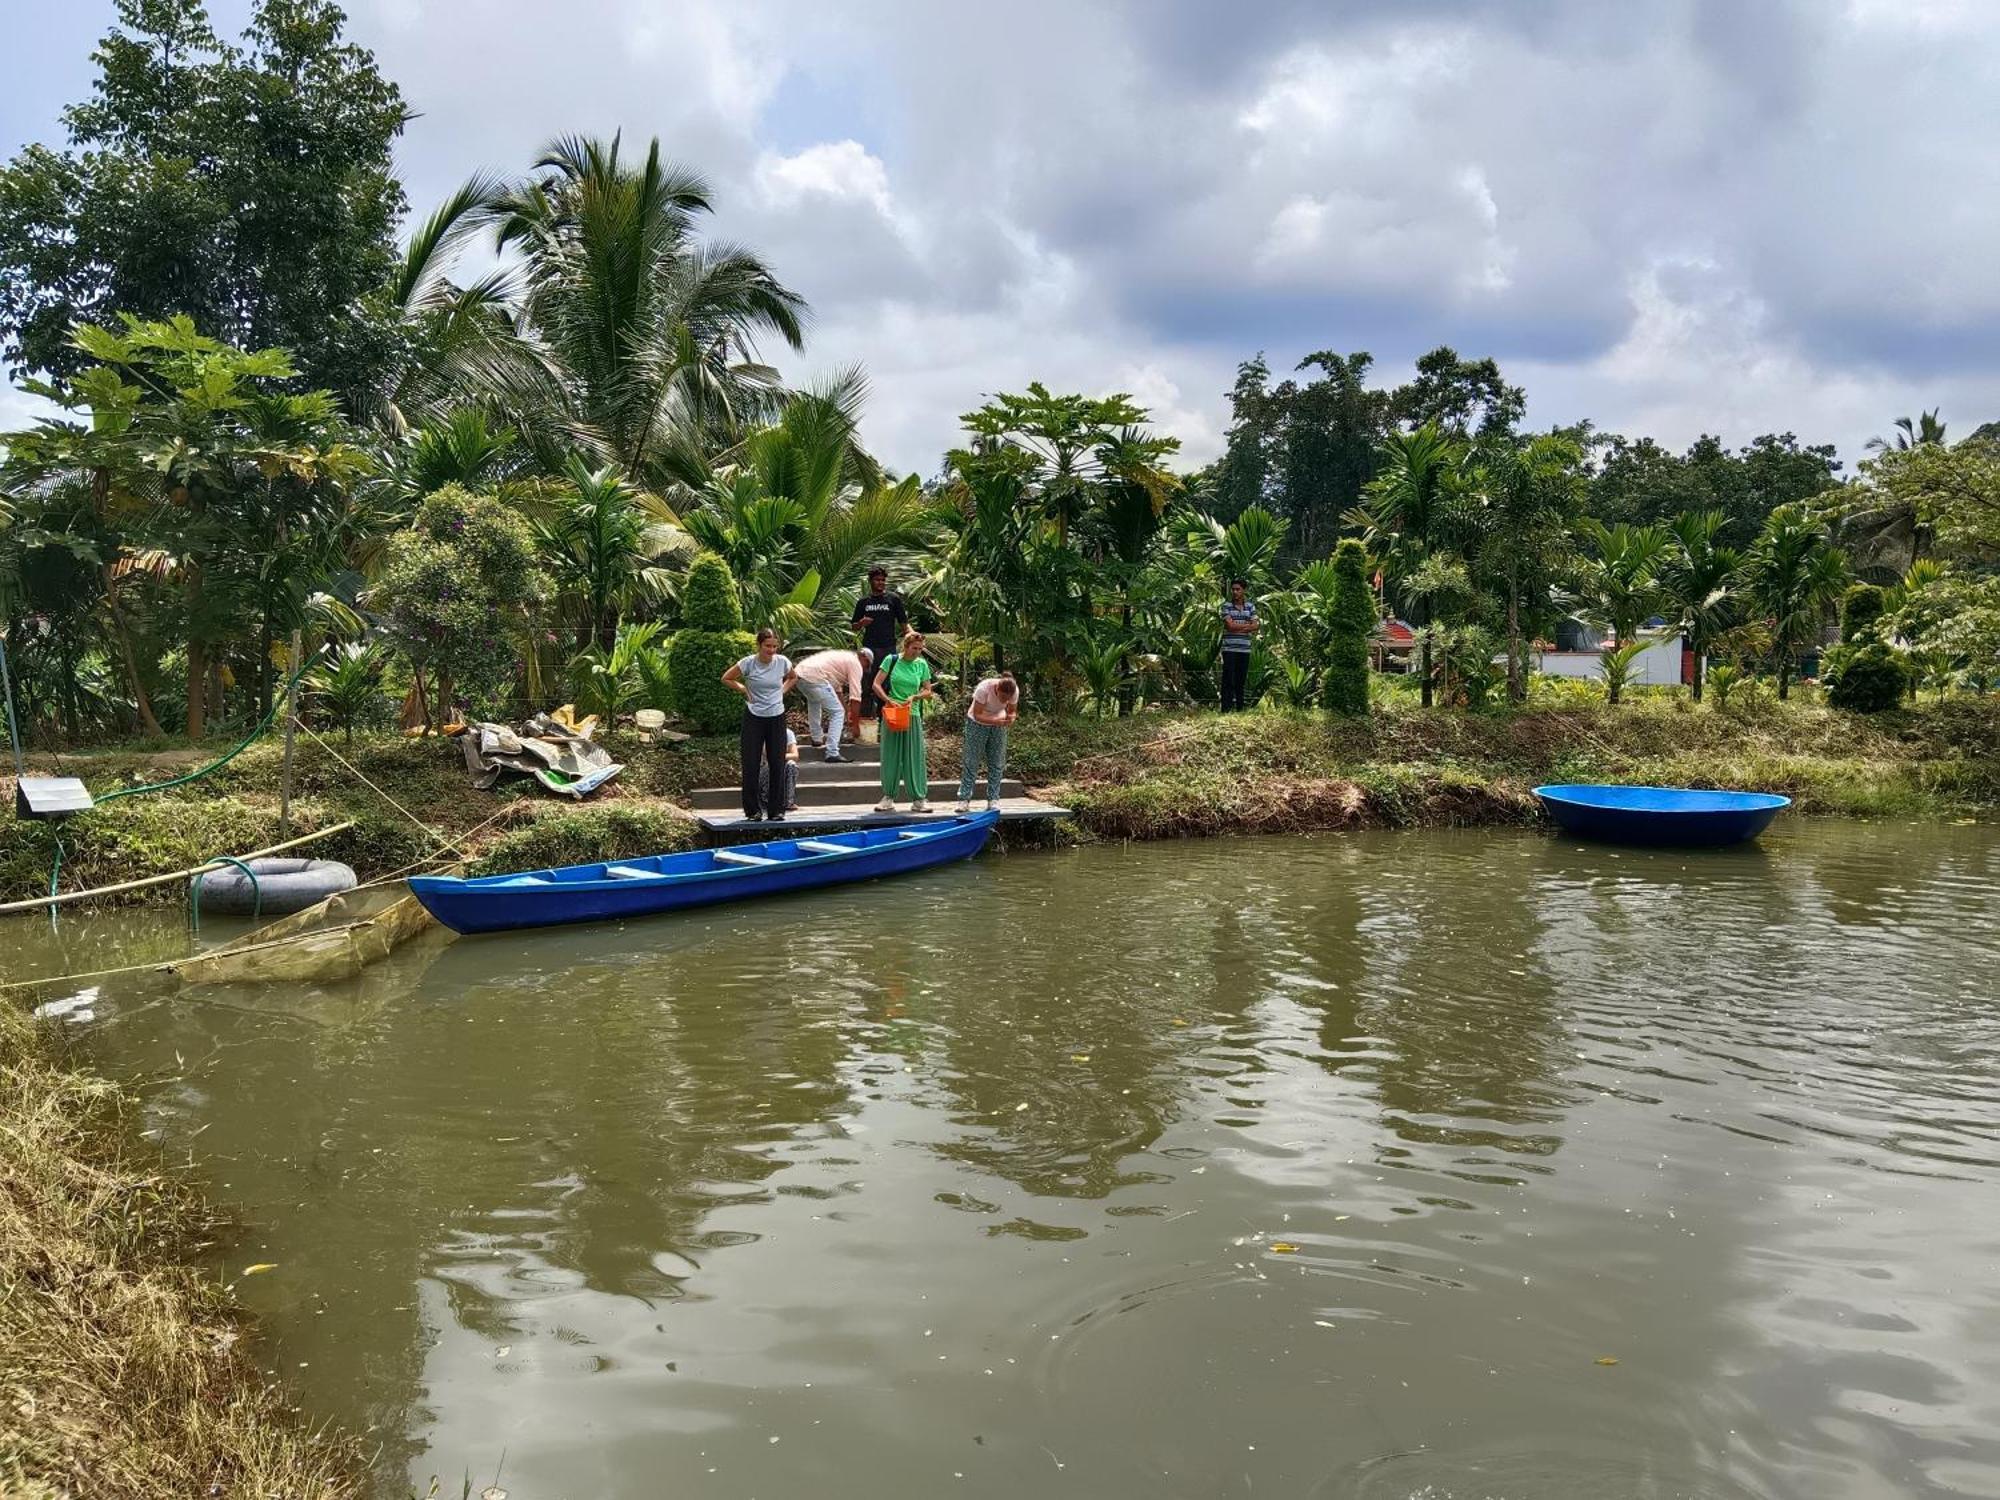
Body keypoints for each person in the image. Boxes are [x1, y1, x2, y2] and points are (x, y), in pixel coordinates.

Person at [721, 628, 796, 820]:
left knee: (777, 762)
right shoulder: (748, 663)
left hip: (776, 716)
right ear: (759, 645)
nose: (771, 650)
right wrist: (743, 688)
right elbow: (726, 678)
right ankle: (753, 810)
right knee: (751, 762)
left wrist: (782, 691)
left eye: (774, 646)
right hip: (754, 716)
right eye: (767, 646)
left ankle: (776, 810)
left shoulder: (782, 662)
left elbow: (793, 677)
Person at [872, 629, 937, 813]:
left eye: (920, 649)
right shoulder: (891, 660)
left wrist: (915, 697)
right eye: (914, 648)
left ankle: (919, 799)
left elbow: (927, 691)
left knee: (914, 755)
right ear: (906, 646)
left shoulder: (921, 664)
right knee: (890, 754)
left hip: (912, 713)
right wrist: (887, 699)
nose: (917, 652)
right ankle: (888, 796)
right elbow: (876, 684)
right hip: (893, 712)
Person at [793, 645, 871, 762]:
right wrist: (855, 726)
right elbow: (855, 698)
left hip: (800, 675)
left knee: (814, 702)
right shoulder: (855, 663)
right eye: (867, 665)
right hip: (815, 676)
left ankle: (817, 738)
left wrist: (848, 715)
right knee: (837, 713)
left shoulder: (843, 661)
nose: (865, 669)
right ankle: (832, 752)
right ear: (864, 658)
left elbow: (838, 694)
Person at [849, 566, 907, 721]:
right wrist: (862, 622)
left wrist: (913, 636)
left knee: (887, 684)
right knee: (866, 685)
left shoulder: (893, 599)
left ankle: (886, 721)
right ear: (870, 581)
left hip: (888, 648)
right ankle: (865, 720)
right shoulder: (863, 602)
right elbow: (853, 626)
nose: (881, 583)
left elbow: (904, 624)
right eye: (877, 580)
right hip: (869, 649)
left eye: (883, 580)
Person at [956, 672, 1019, 812]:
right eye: (1003, 697)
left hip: (999, 725)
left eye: (1008, 699)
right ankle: (964, 799)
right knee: (971, 761)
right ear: (997, 689)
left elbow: (1012, 710)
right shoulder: (984, 689)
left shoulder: (1014, 692)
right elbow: (977, 714)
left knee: (997, 762)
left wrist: (1011, 718)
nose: (1005, 701)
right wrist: (994, 721)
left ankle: (993, 798)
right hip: (977, 724)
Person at [1220, 577, 1259, 712]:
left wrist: (1238, 626)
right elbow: (1229, 626)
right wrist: (1246, 626)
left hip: (1244, 649)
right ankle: (1226, 708)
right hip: (1229, 648)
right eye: (1233, 589)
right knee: (1228, 679)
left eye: (1238, 589)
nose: (1235, 592)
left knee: (1240, 680)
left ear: (1244, 590)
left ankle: (1240, 708)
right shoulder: (1226, 606)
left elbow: (1255, 626)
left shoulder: (1250, 606)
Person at [758, 728, 800, 814]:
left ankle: (788, 802)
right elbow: (767, 755)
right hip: (764, 769)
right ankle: (766, 800)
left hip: (781, 765)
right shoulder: (761, 732)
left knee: (791, 765)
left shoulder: (787, 733)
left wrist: (779, 757)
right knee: (771, 766)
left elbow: (795, 755)